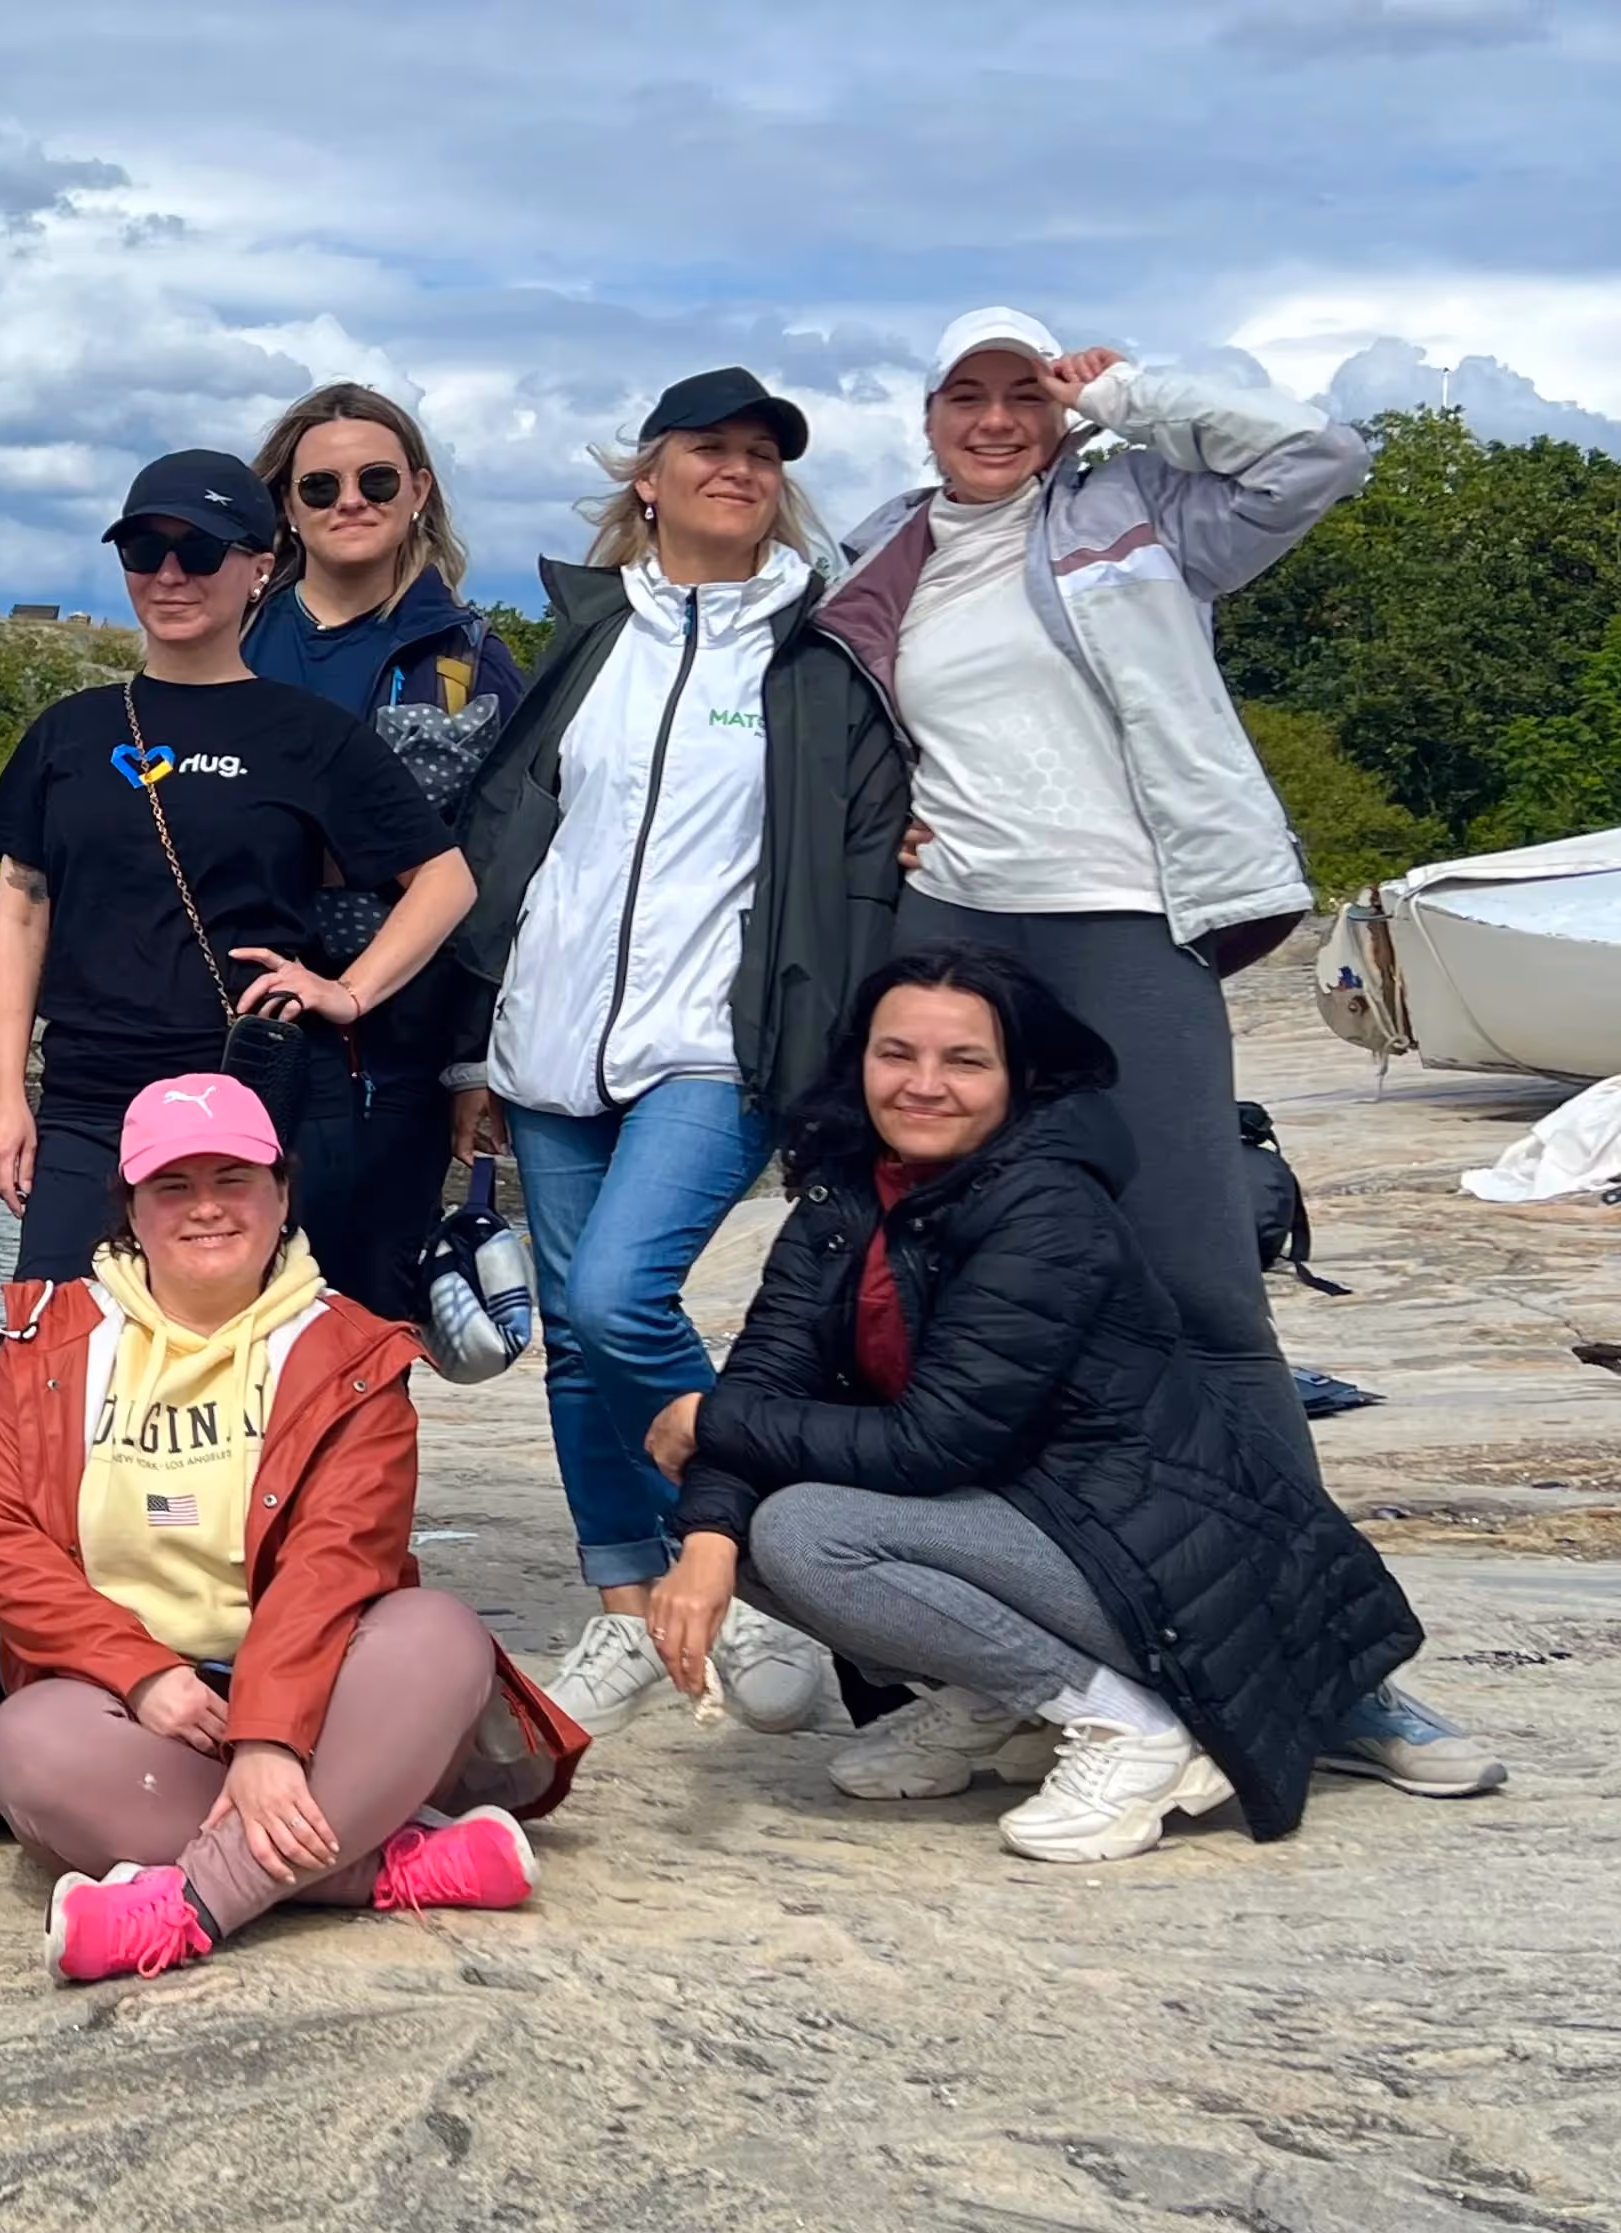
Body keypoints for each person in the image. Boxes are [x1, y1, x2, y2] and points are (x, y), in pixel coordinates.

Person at [815, 309, 1499, 1799]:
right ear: (925, 412)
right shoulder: (878, 550)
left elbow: (1324, 455)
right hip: (953, 934)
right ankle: (996, 1665)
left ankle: (1338, 1671)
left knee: (1202, 1297)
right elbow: (816, 733)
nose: (995, 418)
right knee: (956, 1302)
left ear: (1060, 402)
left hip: (1128, 920)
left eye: (1024, 390)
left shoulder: (1137, 506)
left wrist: (1126, 393)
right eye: (965, 394)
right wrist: (888, 829)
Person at [641, 946, 1432, 1861]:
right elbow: (767, 1379)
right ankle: (994, 1692)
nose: (924, 1085)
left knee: (807, 1533)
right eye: (897, 1054)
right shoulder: (848, 1190)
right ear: (858, 1059)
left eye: (965, 1062)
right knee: (734, 1523)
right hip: (1035, 1524)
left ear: (1021, 1078)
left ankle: (1129, 1725)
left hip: (1159, 1552)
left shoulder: (1046, 1206)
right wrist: (706, 1538)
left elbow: (932, 1442)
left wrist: (710, 1421)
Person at [0, 1074, 583, 1984]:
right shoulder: (50, 1340)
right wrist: (144, 1671)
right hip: (148, 1717)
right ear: (130, 1207)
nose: (205, 1208)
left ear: (282, 1192)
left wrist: (271, 1737)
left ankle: (192, 1906)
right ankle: (373, 1862)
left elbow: (337, 1561)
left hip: (330, 1711)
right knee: (23, 1743)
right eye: (173, 1185)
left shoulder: (354, 1353)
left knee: (439, 1635)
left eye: (233, 1179)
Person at [440, 368, 907, 1740]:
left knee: (625, 1298)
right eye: (711, 447)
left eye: (764, 454)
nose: (740, 468)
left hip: (721, 1036)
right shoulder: (588, 641)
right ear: (647, 477)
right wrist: (474, 1044)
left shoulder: (821, 653)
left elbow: (871, 845)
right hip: (550, 1039)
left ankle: (742, 1565)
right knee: (577, 1339)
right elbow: (512, 841)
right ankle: (629, 1604)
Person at [0, 450, 476, 1292]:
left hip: (249, 1100)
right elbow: (22, 910)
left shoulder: (309, 734)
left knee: (245, 1365)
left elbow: (446, 880)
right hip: (90, 1101)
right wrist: (3, 1098)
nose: (171, 574)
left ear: (259, 567)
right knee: (54, 1354)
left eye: (200, 551)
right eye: (145, 551)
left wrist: (347, 991)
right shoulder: (69, 732)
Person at [243, 381, 529, 1317]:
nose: (349, 501)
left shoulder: (471, 663)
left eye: (373, 478)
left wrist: (474, 1065)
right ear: (286, 507)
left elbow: (507, 873)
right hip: (226, 1026)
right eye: (318, 487)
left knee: (361, 1328)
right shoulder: (231, 638)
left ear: (418, 490)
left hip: (394, 1050)